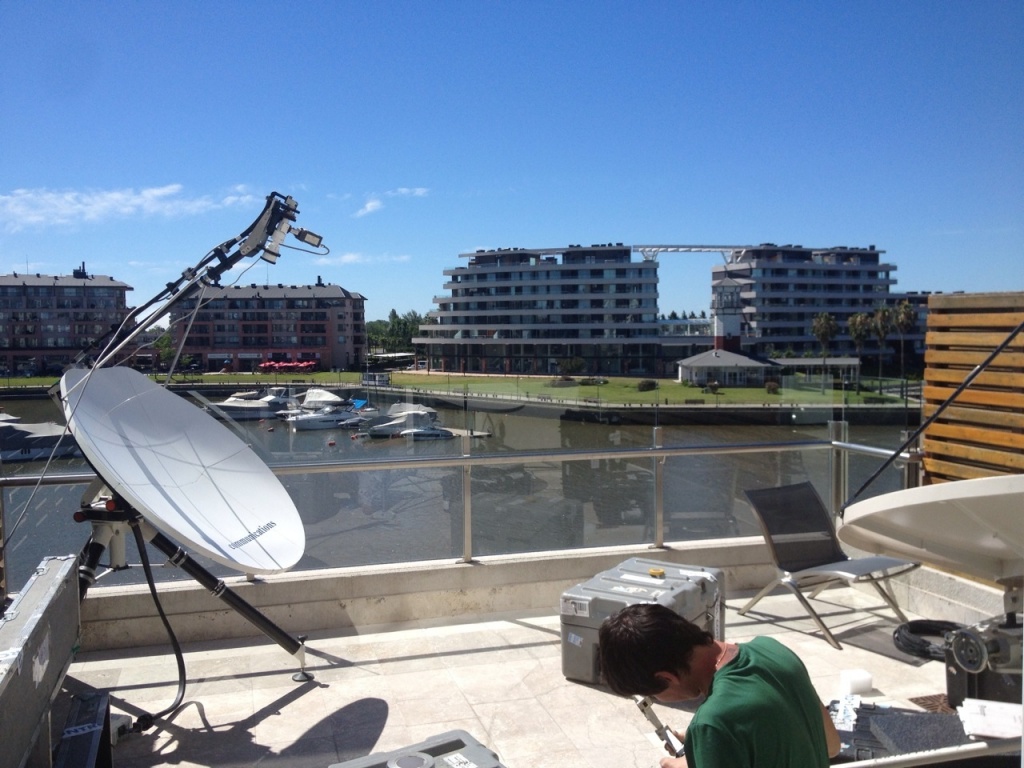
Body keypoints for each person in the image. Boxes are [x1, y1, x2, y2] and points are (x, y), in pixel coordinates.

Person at [598, 603, 840, 768]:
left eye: (654, 693)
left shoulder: (713, 722)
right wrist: (710, 747)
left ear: (666, 678)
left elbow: (727, 719)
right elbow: (831, 746)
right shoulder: (773, 650)